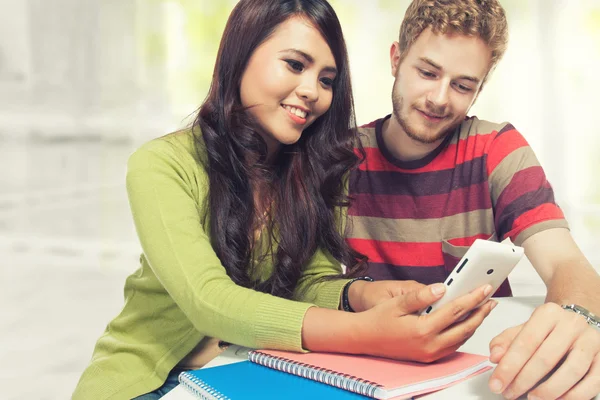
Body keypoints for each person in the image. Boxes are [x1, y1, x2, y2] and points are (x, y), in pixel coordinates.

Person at [72, 1, 498, 399]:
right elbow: (209, 301)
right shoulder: (161, 164)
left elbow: (308, 283)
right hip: (144, 383)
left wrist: (362, 297)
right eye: (294, 64)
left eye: (327, 80)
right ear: (240, 54)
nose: (312, 90)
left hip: (240, 373)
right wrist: (368, 332)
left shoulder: (312, 169)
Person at [345, 0, 600, 399]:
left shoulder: (497, 149)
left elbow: (566, 263)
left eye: (463, 85)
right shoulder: (340, 159)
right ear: (396, 59)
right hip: (364, 369)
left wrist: (578, 319)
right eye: (427, 72)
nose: (440, 98)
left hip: (475, 375)